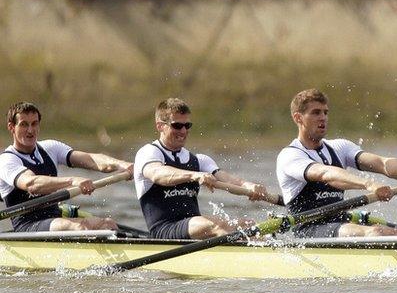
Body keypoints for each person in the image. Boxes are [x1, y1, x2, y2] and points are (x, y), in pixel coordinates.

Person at [276, 89, 397, 238]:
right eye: (316, 113)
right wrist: (369, 184)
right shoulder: (290, 155)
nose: (323, 118)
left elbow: (382, 163)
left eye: (325, 112)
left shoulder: (340, 147)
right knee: (376, 232)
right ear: (298, 117)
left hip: (341, 222)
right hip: (309, 230)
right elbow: (327, 175)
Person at [135, 98, 271, 240]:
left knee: (249, 225)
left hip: (194, 228)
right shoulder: (148, 153)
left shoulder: (199, 160)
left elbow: (231, 181)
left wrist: (251, 186)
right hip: (165, 230)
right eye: (177, 126)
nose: (183, 131)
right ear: (160, 126)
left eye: (187, 125)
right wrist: (194, 176)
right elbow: (158, 174)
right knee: (219, 226)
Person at [0, 101, 132, 232]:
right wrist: (72, 181)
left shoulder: (50, 147)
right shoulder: (6, 160)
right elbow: (32, 184)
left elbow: (91, 159)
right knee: (81, 227)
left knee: (108, 224)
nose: (30, 130)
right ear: (11, 127)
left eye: (34, 124)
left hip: (56, 218)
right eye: (24, 125)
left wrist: (122, 165)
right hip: (28, 225)